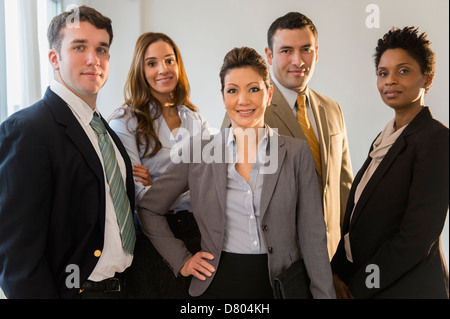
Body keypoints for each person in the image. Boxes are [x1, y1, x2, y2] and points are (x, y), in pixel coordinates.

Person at [138, 47, 335, 299]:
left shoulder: (296, 153)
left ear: (269, 94)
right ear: (223, 97)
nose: (243, 100)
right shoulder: (199, 151)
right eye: (232, 90)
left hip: (282, 287)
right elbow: (149, 208)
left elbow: (313, 236)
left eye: (253, 89)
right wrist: (182, 260)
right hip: (217, 287)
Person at [0, 6, 136, 299]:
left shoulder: (105, 131)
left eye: (101, 49)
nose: (93, 59)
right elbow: (18, 258)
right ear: (54, 58)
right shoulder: (27, 130)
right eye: (79, 47)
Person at [222, 12, 353, 258]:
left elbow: (344, 187)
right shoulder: (248, 110)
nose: (298, 60)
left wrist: (346, 257)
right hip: (280, 261)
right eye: (286, 51)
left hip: (333, 255)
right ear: (269, 55)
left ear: (316, 51)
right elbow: (230, 193)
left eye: (305, 49)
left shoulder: (333, 109)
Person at [331, 26, 449, 299]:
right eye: (383, 73)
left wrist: (359, 287)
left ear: (427, 79)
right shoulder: (384, 139)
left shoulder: (436, 139)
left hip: (407, 289)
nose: (390, 80)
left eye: (403, 71)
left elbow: (417, 239)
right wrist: (336, 273)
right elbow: (358, 222)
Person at [109, 32, 209, 298]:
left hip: (197, 232)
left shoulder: (195, 119)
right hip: (153, 238)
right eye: (151, 63)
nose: (162, 69)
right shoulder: (124, 122)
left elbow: (210, 183)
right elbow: (142, 199)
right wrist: (183, 185)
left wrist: (160, 184)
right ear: (140, 70)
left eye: (169, 60)